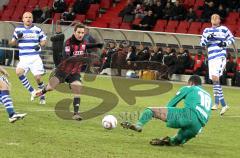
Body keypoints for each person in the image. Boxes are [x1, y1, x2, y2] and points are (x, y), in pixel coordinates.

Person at [34, 24, 103, 121]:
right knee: (50, 88)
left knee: (78, 87)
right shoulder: (68, 43)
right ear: (74, 32)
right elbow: (67, 58)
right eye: (78, 32)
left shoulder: (84, 42)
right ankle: (42, 91)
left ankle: (76, 113)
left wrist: (97, 45)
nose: (80, 34)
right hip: (62, 71)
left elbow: (85, 46)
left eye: (82, 33)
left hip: (74, 72)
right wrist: (84, 59)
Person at [121, 75, 212, 146]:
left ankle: (138, 125)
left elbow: (171, 104)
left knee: (150, 111)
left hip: (187, 115)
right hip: (198, 126)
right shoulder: (209, 96)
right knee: (175, 141)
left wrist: (163, 115)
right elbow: (207, 116)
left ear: (191, 83)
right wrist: (197, 129)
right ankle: (170, 141)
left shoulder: (190, 88)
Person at [200, 14, 235, 115]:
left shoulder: (224, 29)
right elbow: (202, 43)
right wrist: (207, 38)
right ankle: (217, 103)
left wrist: (225, 43)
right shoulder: (206, 31)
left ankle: (224, 105)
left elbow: (232, 38)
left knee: (215, 78)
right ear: (211, 20)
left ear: (220, 20)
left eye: (217, 18)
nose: (214, 19)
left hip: (220, 56)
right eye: (213, 18)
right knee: (214, 79)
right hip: (211, 58)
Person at [10, 12, 47, 104]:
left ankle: (42, 95)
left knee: (38, 78)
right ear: (23, 19)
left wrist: (39, 45)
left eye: (30, 17)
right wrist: (17, 38)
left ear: (32, 19)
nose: (28, 19)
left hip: (35, 57)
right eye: (26, 17)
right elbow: (12, 44)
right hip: (24, 58)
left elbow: (44, 41)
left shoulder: (37, 29)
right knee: (18, 72)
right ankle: (32, 91)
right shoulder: (18, 29)